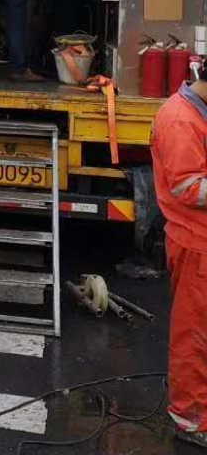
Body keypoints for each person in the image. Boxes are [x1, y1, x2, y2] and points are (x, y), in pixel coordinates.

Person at [151, 66, 207, 448]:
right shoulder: (179, 120)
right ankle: (190, 417)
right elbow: (190, 187)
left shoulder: (196, 112)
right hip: (196, 240)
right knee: (194, 335)